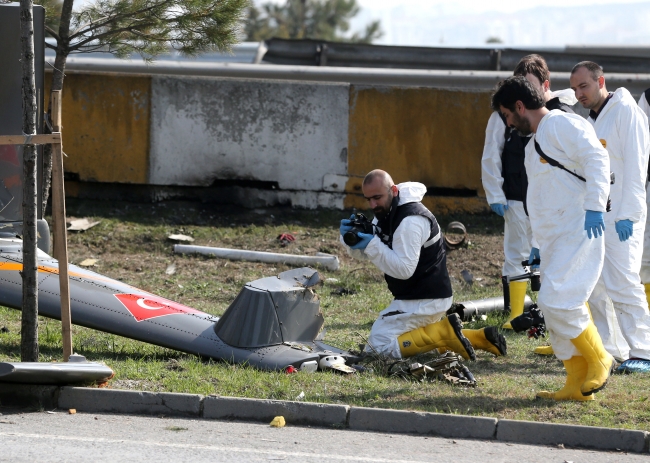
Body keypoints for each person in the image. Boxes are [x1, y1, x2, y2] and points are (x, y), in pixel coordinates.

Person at [492, 76, 612, 401]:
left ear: (519, 106)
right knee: (548, 304)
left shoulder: (560, 124)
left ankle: (600, 359)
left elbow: (597, 158)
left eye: (506, 114)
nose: (507, 122)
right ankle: (576, 384)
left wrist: (595, 207)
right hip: (555, 237)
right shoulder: (533, 144)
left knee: (562, 299)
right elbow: (543, 199)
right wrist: (537, 243)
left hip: (581, 228)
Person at [339, 169, 506, 361]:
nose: (373, 204)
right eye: (368, 199)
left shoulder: (410, 220)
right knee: (402, 339)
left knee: (377, 347)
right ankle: (479, 338)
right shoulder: (387, 211)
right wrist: (349, 239)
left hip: (424, 299)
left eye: (377, 197)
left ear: (393, 190)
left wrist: (371, 243)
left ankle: (443, 332)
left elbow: (403, 270)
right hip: (417, 296)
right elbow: (370, 253)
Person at [481, 54, 576, 330]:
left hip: (551, 203)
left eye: (533, 86)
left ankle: (550, 316)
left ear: (545, 85)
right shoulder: (503, 117)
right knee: (516, 256)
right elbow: (491, 156)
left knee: (551, 257)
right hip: (515, 198)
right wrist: (495, 195)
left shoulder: (559, 116)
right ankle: (516, 314)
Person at [571, 62, 650, 373]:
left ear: (600, 81)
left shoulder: (626, 111)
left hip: (622, 216)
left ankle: (644, 350)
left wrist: (629, 214)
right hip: (601, 214)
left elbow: (636, 167)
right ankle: (612, 347)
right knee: (598, 284)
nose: (579, 94)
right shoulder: (592, 118)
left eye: (584, 87)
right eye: (575, 89)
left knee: (624, 282)